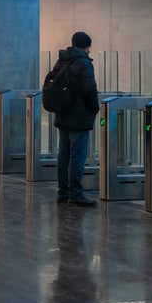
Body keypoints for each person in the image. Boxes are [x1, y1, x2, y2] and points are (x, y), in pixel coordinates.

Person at [53, 31, 100, 206]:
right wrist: (95, 108)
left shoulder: (62, 60)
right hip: (79, 118)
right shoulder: (84, 63)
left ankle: (62, 193)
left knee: (63, 155)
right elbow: (89, 90)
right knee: (77, 157)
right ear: (86, 46)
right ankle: (76, 195)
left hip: (63, 114)